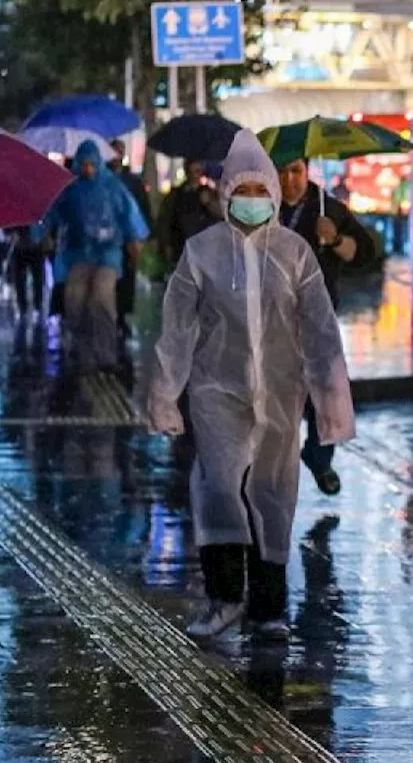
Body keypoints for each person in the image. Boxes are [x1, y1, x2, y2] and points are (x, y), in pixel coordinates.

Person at [147, 129, 355, 640]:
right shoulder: (201, 252)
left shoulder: (295, 253)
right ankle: (223, 598)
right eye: (243, 191)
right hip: (217, 391)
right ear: (226, 194)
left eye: (262, 193)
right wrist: (164, 393)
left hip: (281, 394)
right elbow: (176, 327)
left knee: (273, 495)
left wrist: (331, 396)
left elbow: (321, 329)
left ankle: (268, 608)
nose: (253, 202)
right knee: (220, 488)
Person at [277, 157, 376, 496]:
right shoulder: (261, 207)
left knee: (327, 393)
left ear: (306, 172)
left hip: (317, 318)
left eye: (295, 171)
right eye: (281, 172)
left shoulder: (329, 209)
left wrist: (334, 240)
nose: (288, 180)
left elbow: (364, 254)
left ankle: (319, 457)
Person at [40, 140, 148, 372]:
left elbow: (128, 215)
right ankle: (81, 350)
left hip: (107, 254)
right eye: (84, 164)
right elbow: (53, 213)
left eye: (92, 164)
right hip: (78, 254)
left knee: (102, 299)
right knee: (75, 300)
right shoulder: (70, 189)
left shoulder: (113, 186)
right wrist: (43, 232)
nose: (88, 169)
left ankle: (106, 353)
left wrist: (133, 240)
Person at [109, 139, 153, 337]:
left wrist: (142, 236)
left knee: (127, 278)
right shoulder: (105, 179)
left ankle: (123, 315)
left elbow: (143, 208)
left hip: (128, 239)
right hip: (109, 239)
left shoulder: (132, 181)